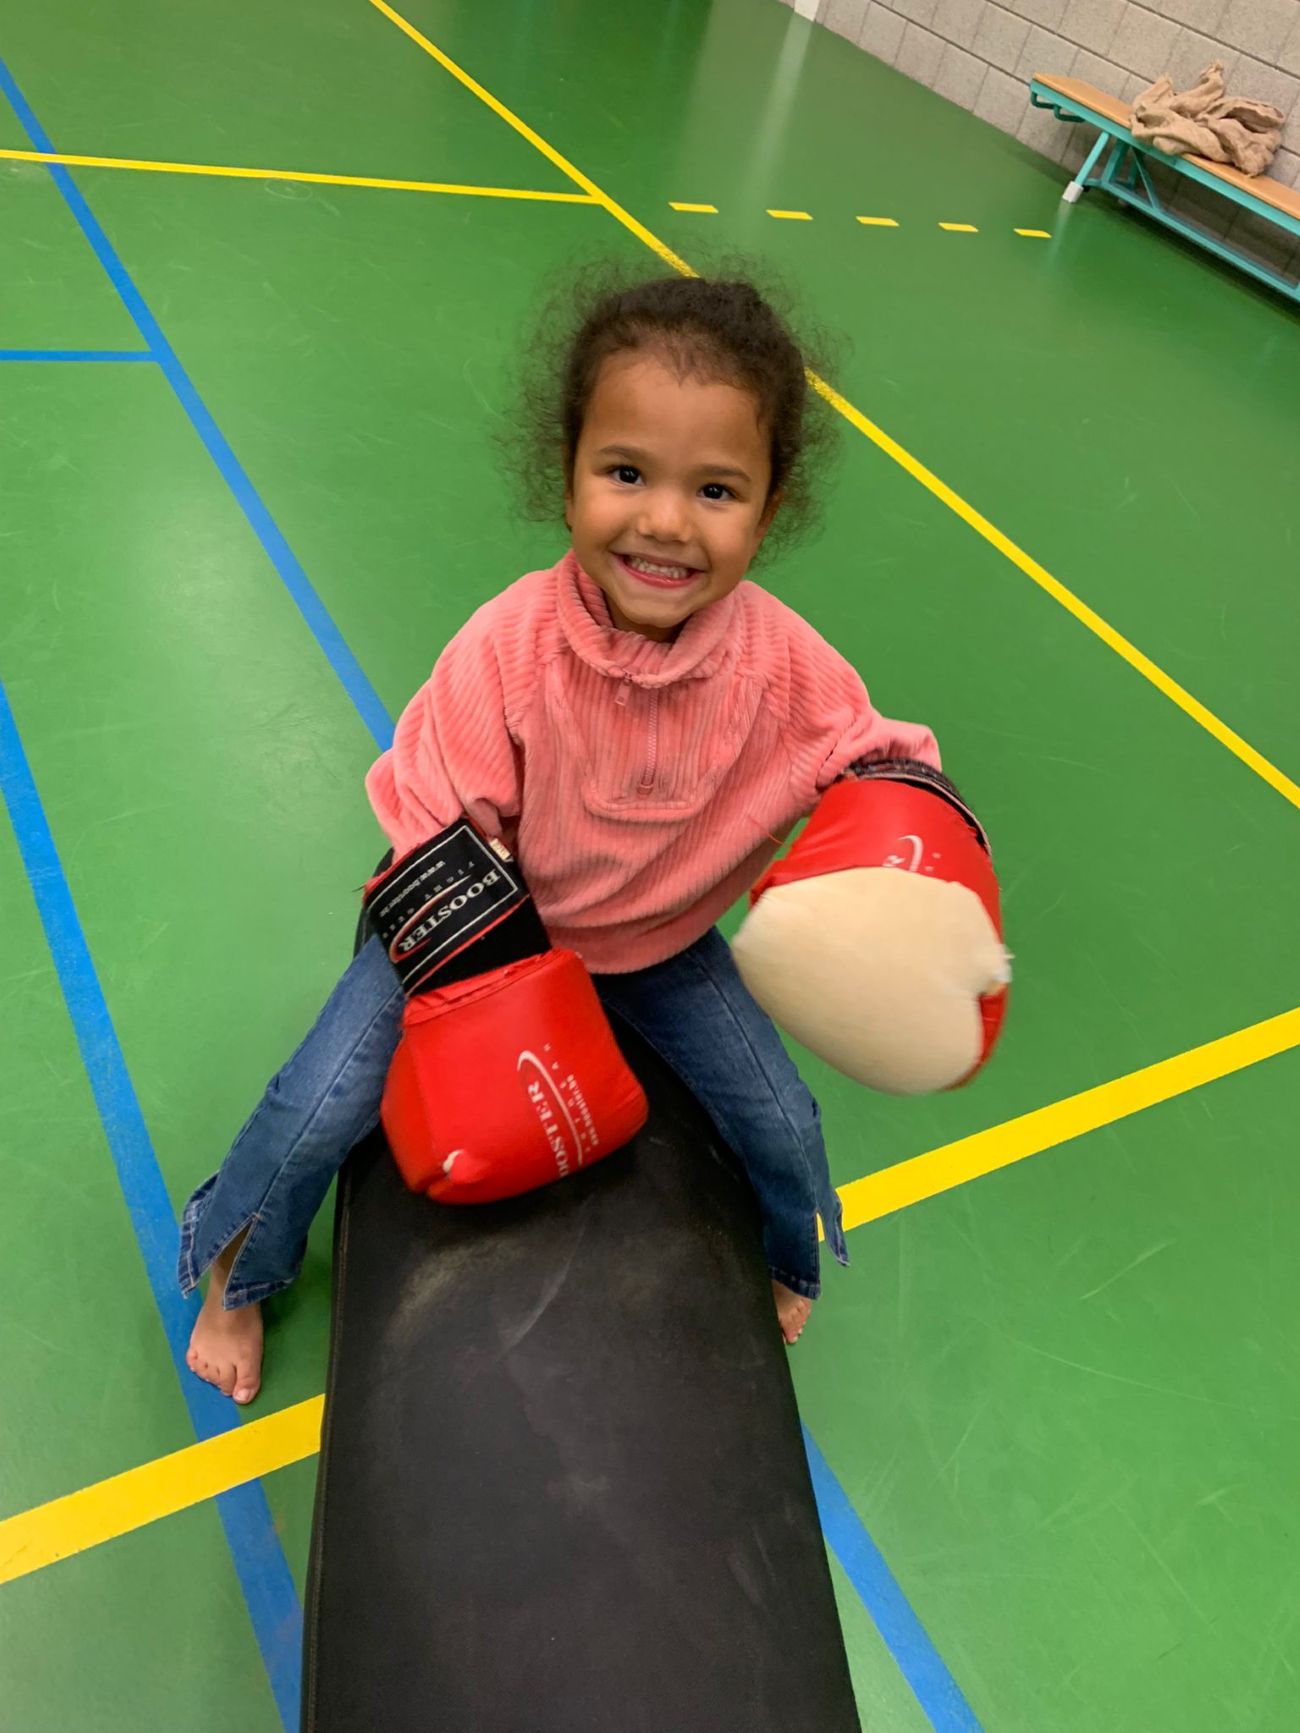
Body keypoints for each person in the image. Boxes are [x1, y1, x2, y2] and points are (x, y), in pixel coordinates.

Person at [178, 271, 940, 1407]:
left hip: (661, 948)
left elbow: (882, 753)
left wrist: (913, 855)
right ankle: (237, 1268)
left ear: (768, 508)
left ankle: (784, 1261)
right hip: (481, 942)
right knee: (317, 1107)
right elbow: (431, 808)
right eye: (626, 473)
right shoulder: (511, 647)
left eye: (715, 489)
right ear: (569, 471)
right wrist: (498, 996)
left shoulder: (781, 662)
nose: (666, 521)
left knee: (782, 1119)